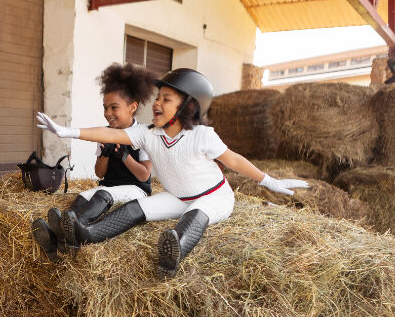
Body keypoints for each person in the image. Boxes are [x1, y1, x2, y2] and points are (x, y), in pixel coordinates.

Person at [36, 68, 308, 277]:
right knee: (134, 209)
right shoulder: (148, 134)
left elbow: (234, 160)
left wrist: (269, 181)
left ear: (187, 107)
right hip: (176, 196)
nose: (156, 104)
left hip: (213, 197)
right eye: (157, 98)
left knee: (195, 216)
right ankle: (86, 235)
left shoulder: (202, 135)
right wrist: (66, 131)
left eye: (166, 99)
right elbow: (109, 132)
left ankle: (173, 253)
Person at [31, 63, 157, 260]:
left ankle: (68, 233)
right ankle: (58, 235)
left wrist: (123, 156)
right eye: (105, 107)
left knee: (103, 193)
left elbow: (144, 174)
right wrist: (106, 155)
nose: (108, 113)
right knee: (84, 195)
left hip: (136, 190)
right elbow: (100, 173)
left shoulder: (143, 134)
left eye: (114, 107)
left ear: (132, 107)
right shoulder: (104, 134)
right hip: (109, 187)